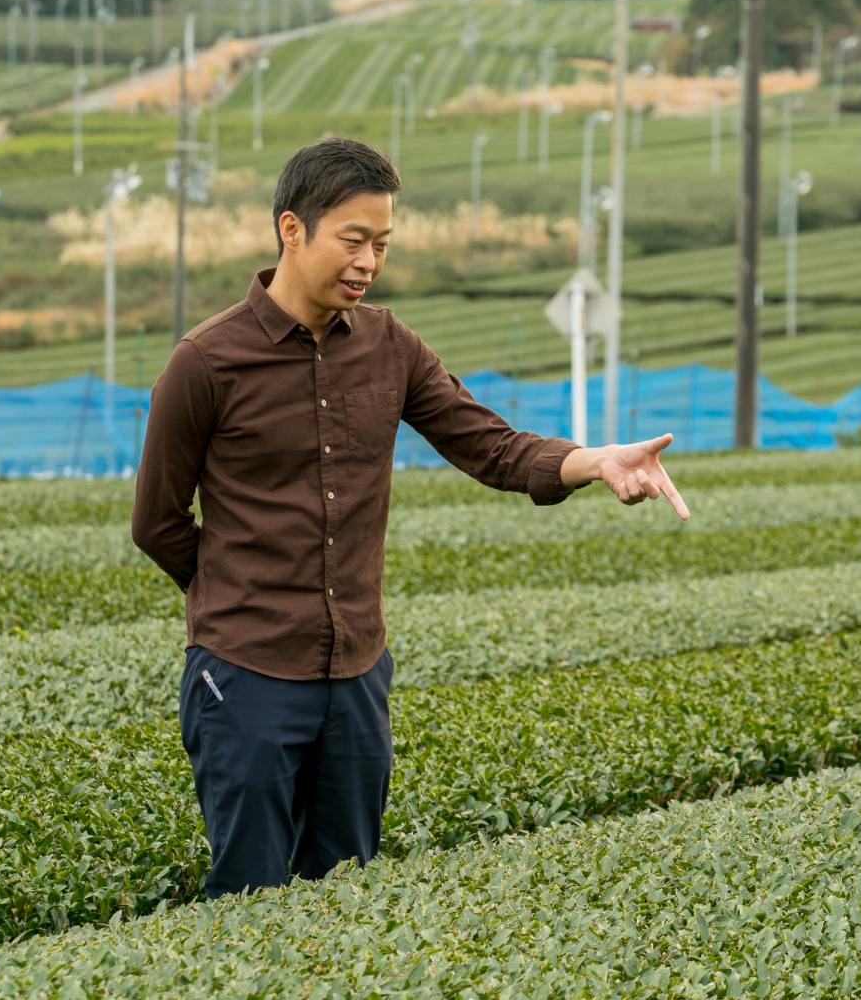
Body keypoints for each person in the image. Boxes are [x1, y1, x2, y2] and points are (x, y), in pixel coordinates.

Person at [130, 133, 689, 899]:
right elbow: (156, 521)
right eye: (353, 240)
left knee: (349, 900)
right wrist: (238, 594)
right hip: (246, 676)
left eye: (382, 245)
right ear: (292, 228)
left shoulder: (392, 347)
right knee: (247, 903)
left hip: (357, 673)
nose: (367, 262)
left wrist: (593, 460)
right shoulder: (206, 361)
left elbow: (490, 445)